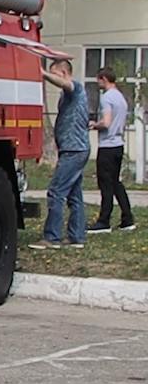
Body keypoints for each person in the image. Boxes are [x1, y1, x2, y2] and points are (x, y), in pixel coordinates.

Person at [30, 58, 90, 249]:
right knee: (74, 195)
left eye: (55, 73)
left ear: (64, 73)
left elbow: (65, 83)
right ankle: (76, 237)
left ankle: (52, 237)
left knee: (56, 192)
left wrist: (43, 74)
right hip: (71, 149)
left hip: (75, 150)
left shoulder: (75, 88)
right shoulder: (66, 96)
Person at [88, 67, 136, 233]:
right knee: (115, 182)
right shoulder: (121, 98)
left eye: (98, 80)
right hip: (118, 144)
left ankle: (104, 220)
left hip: (107, 145)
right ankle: (127, 218)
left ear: (104, 79)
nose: (98, 84)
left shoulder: (107, 98)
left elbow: (106, 122)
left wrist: (95, 124)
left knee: (105, 183)